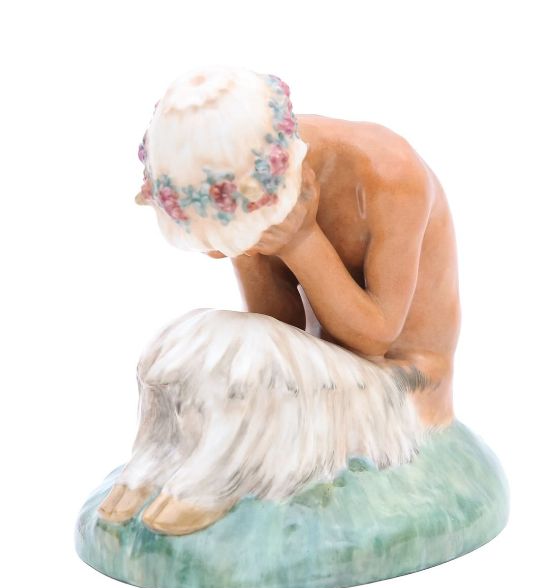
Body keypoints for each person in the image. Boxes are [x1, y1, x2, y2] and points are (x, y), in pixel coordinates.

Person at [98, 66, 460, 535]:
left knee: (241, 358)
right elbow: (277, 324)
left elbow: (374, 338)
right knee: (187, 345)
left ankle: (214, 485)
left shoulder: (389, 174)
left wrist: (301, 240)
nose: (218, 254)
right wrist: (252, 249)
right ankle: (152, 469)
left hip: (403, 385)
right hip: (326, 370)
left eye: (224, 239)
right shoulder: (245, 174)